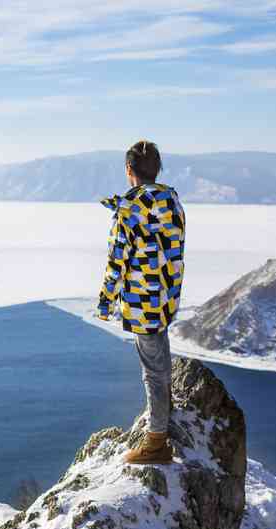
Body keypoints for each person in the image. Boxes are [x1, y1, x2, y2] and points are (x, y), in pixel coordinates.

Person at [96, 140, 186, 465]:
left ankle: (157, 442)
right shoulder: (172, 202)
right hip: (165, 296)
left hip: (141, 299)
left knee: (152, 371)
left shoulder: (129, 211)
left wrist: (106, 302)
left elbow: (116, 260)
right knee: (161, 358)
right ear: (157, 169)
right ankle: (165, 413)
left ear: (129, 171)